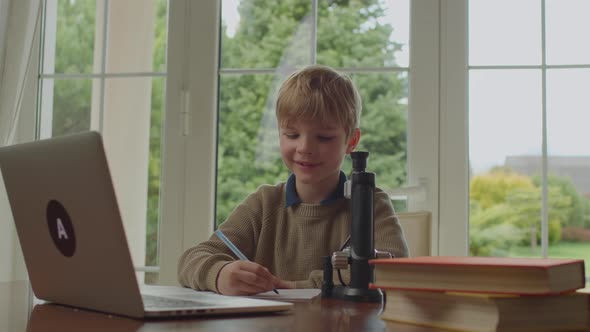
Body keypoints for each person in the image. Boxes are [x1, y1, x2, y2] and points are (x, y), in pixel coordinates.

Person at [178, 65, 409, 296]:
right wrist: (220, 274)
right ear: (279, 134)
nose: (305, 148)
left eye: (324, 137)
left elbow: (394, 272)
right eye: (292, 135)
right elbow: (191, 260)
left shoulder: (371, 204)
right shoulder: (263, 204)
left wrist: (296, 287)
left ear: (351, 141)